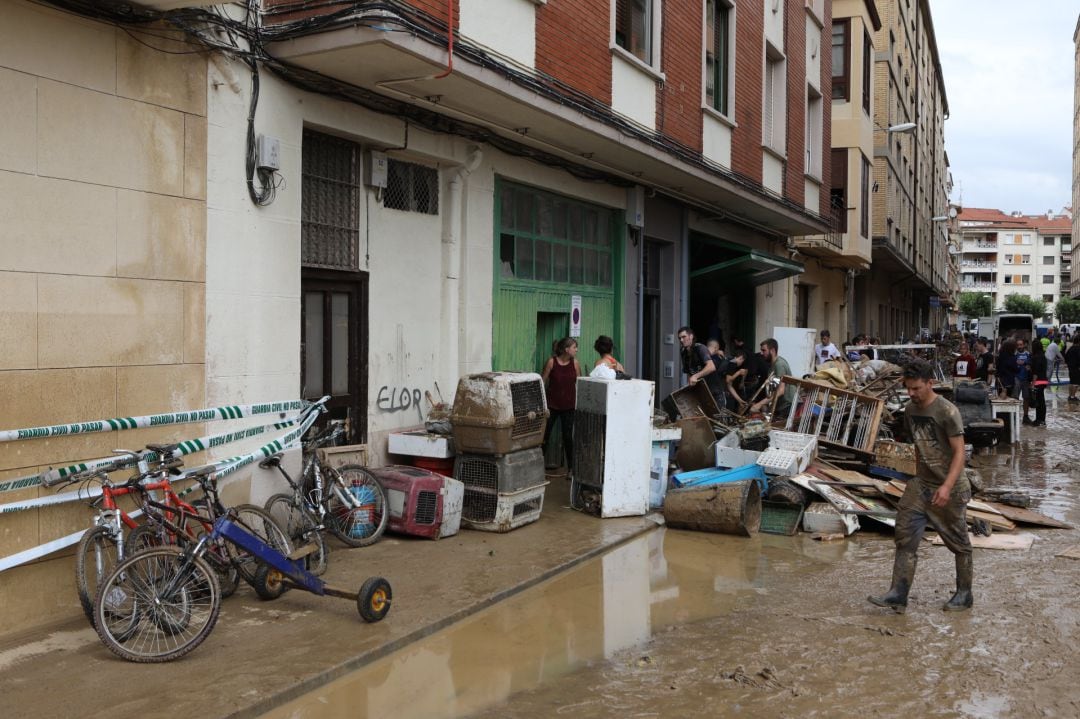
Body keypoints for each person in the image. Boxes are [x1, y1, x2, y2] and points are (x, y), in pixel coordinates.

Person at [868, 360, 972, 614]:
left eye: (916, 388)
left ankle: (964, 593)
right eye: (908, 388)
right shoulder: (909, 411)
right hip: (921, 484)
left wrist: (947, 486)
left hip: (950, 486)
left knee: (958, 542)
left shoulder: (947, 412)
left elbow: (960, 453)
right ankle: (898, 593)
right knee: (904, 536)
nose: (912, 393)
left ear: (930, 383)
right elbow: (915, 447)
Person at [541, 337, 581, 473]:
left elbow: (579, 384)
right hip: (552, 406)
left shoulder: (575, 363)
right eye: (574, 347)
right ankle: (538, 467)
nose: (576, 350)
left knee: (568, 437)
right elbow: (542, 382)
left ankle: (571, 469)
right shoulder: (551, 362)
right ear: (566, 349)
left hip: (569, 407)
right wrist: (542, 404)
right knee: (544, 435)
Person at [679, 326, 725, 409]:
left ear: (691, 336)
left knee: (718, 419)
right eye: (680, 338)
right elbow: (689, 372)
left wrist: (696, 376)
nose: (681, 340)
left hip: (714, 392)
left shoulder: (700, 348)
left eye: (684, 337)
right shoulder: (683, 352)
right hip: (701, 392)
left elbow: (711, 366)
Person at [750, 338, 795, 416]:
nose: (761, 353)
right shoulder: (772, 366)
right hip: (780, 405)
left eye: (764, 350)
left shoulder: (779, 365)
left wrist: (759, 404)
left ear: (772, 350)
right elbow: (774, 388)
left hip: (787, 405)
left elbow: (781, 390)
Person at [1014, 338, 1033, 424]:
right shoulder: (1014, 354)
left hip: (1026, 379)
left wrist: (1027, 366)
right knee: (1015, 398)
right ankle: (1014, 416)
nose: (1019, 346)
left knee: (1026, 398)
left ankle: (1025, 416)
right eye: (1018, 345)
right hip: (1017, 378)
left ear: (1024, 345)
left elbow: (1031, 365)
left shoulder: (1028, 354)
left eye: (1020, 345)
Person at [1030, 339, 1048, 427]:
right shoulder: (1043, 356)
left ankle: (1038, 420)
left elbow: (1035, 372)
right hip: (1044, 380)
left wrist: (1033, 384)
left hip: (1038, 381)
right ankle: (1042, 420)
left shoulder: (1035, 357)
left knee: (1038, 401)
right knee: (1042, 401)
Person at [1066, 337, 1080, 402]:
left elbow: (1066, 357)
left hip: (1070, 367)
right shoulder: (1078, 349)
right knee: (1076, 383)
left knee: (1071, 382)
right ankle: (1073, 397)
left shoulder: (1070, 349)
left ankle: (1070, 396)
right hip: (1076, 368)